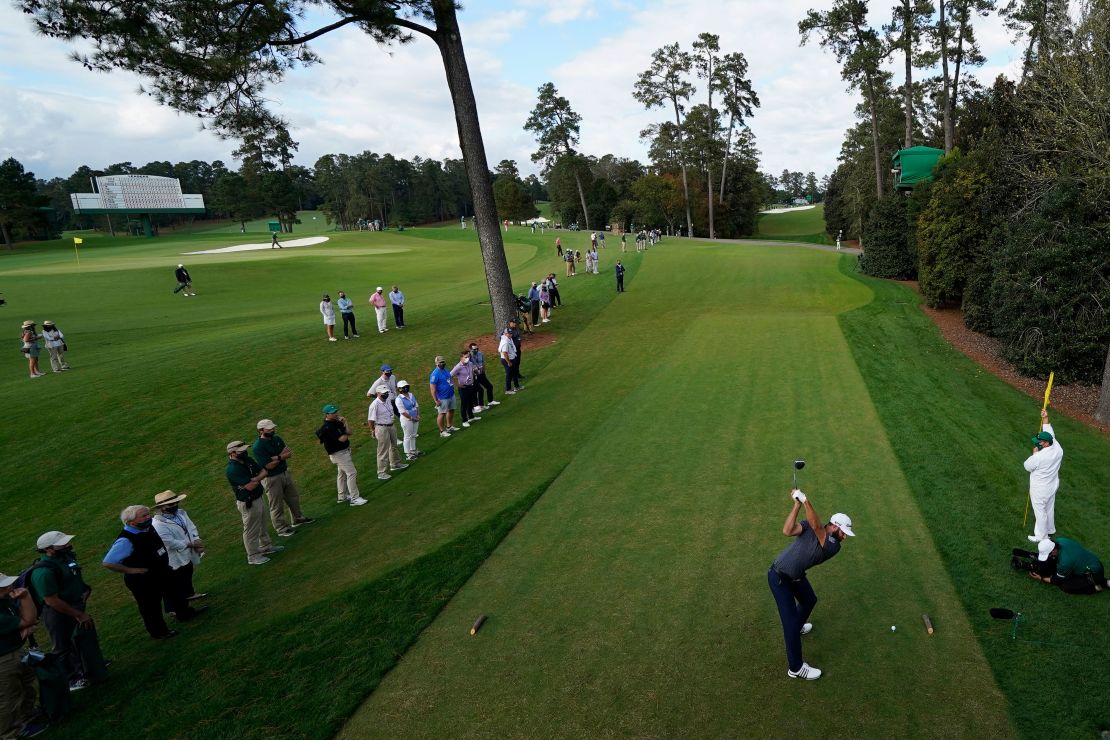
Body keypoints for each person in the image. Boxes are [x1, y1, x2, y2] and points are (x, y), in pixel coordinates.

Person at [767, 488, 855, 680]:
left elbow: (817, 528)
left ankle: (797, 626)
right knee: (789, 624)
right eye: (844, 532)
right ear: (834, 526)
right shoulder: (811, 527)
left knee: (809, 600)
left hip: (795, 576)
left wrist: (806, 500)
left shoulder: (833, 545)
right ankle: (796, 668)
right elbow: (787, 530)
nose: (845, 537)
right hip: (779, 577)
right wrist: (797, 505)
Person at [102, 505, 204, 639]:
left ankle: (185, 613)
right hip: (143, 579)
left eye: (147, 514)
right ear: (131, 522)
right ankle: (159, 632)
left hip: (162, 570)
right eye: (143, 516)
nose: (148, 517)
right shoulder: (125, 540)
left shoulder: (147, 528)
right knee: (150, 607)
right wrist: (131, 570)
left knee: (176, 592)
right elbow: (108, 562)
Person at [28, 532, 101, 691]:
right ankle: (70, 679)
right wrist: (79, 614)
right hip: (57, 612)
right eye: (62, 543)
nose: (67, 545)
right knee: (62, 646)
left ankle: (87, 666)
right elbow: (51, 600)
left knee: (79, 638)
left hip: (74, 605)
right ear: (48, 549)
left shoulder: (65, 557)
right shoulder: (43, 572)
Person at [0, 571, 45, 739]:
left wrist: (26, 624)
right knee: (7, 699)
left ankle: (26, 716)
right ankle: (10, 734)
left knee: (26, 685)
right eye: (5, 585)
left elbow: (30, 618)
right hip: (3, 660)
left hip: (15, 650)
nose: (11, 585)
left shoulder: (5, 601)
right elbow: (28, 620)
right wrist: (25, 597)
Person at [252, 419, 314, 538]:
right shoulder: (258, 447)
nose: (273, 430)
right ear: (261, 430)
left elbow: (289, 453)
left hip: (284, 472)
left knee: (293, 497)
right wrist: (281, 456)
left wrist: (277, 457)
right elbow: (268, 465)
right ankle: (281, 528)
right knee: (276, 504)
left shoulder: (277, 439)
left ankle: (298, 518)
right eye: (269, 429)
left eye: (272, 428)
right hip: (271, 478)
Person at [225, 441, 283, 565]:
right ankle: (253, 556)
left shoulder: (247, 460)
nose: (245, 452)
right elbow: (250, 486)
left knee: (262, 522)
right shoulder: (232, 469)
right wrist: (256, 480)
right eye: (241, 450)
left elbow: (264, 471)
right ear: (232, 453)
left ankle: (266, 546)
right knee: (251, 529)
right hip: (248, 501)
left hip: (257, 497)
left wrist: (256, 479)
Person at [151, 491, 207, 608]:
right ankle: (172, 608)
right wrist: (191, 544)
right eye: (171, 505)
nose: (175, 506)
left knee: (187, 570)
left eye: (176, 503)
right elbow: (169, 542)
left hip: (187, 550)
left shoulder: (181, 513)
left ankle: (189, 594)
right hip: (173, 556)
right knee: (172, 582)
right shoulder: (158, 524)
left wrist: (196, 539)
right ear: (161, 507)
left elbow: (191, 527)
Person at [1024, 409, 1063, 543]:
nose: (1037, 443)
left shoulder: (1040, 457)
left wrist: (1034, 453)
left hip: (1040, 488)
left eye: (1039, 442)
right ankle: (1050, 529)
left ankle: (1041, 537)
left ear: (1046, 443)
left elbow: (1027, 466)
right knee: (1049, 507)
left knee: (1040, 511)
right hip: (1052, 485)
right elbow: (1049, 431)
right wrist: (1045, 418)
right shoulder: (1057, 447)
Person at [316, 405, 367, 506]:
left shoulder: (337, 422)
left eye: (335, 411)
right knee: (352, 473)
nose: (335, 413)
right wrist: (345, 433)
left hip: (343, 452)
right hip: (339, 454)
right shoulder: (328, 427)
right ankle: (354, 498)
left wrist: (345, 422)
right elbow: (343, 438)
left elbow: (349, 432)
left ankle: (342, 496)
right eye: (333, 412)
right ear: (327, 414)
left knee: (342, 474)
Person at [1028, 537, 1108, 594]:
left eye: (1048, 554)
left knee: (1066, 586)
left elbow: (1058, 580)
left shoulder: (1065, 562)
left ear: (1053, 551)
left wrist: (1041, 578)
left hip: (1094, 574)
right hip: (1094, 562)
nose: (1048, 557)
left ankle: (1095, 586)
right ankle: (1103, 581)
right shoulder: (1060, 540)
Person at [366, 386, 407, 480]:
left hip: (391, 425)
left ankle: (395, 464)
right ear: (378, 393)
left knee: (394, 445)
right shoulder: (374, 405)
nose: (386, 394)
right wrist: (372, 430)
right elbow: (370, 420)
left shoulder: (387, 400)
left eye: (386, 392)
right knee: (383, 450)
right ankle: (381, 472)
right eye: (384, 393)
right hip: (381, 427)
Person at [429, 355, 457, 438]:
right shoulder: (434, 374)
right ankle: (442, 431)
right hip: (442, 397)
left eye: (443, 362)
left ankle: (449, 426)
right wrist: (436, 400)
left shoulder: (445, 370)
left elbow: (449, 379)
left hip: (451, 395)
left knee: (451, 410)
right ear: (436, 363)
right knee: (442, 414)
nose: (443, 363)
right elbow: (432, 389)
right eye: (441, 362)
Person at [450, 350, 480, 428]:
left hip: (471, 386)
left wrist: (475, 372)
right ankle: (464, 420)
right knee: (464, 404)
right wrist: (457, 384)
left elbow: (472, 371)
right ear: (461, 358)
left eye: (468, 356)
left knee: (470, 402)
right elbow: (450, 376)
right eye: (466, 357)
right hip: (463, 388)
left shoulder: (470, 363)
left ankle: (471, 417)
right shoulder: (458, 367)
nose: (468, 358)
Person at [394, 381, 421, 461]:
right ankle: (408, 454)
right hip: (407, 419)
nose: (405, 388)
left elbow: (416, 405)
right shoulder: (398, 399)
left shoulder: (411, 395)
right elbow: (402, 412)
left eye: (406, 386)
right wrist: (412, 418)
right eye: (403, 387)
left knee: (413, 435)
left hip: (415, 417)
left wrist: (418, 415)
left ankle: (413, 450)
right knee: (407, 436)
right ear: (399, 389)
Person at [469, 342, 499, 412]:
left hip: (481, 374)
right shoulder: (469, 357)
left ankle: (490, 401)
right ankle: (477, 406)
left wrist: (483, 370)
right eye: (474, 349)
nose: (476, 350)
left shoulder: (480, 354)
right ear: (470, 349)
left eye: (477, 349)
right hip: (474, 376)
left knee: (489, 386)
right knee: (478, 390)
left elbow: (482, 363)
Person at [498, 326, 521, 395]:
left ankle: (516, 386)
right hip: (507, 360)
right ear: (505, 334)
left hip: (511, 358)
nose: (511, 334)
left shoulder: (508, 339)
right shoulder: (505, 342)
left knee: (514, 372)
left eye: (511, 333)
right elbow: (504, 353)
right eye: (509, 333)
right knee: (509, 375)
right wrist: (509, 362)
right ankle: (508, 390)